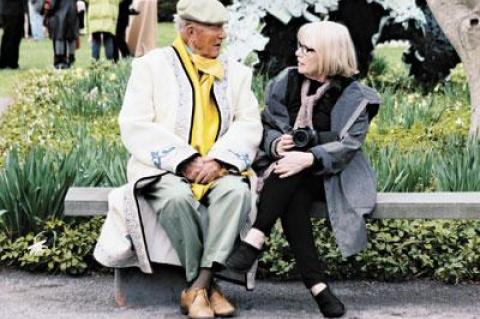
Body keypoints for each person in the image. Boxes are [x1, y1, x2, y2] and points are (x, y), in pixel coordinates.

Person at [93, 0, 262, 318]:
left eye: (223, 27)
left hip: (218, 169)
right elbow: (135, 123)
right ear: (189, 31)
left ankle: (197, 287)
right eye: (214, 28)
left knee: (237, 193)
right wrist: (185, 161)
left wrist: (219, 161)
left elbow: (248, 123)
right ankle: (207, 289)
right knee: (175, 200)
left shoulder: (236, 73)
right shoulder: (150, 66)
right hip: (163, 169)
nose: (222, 35)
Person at [226, 21, 381, 318]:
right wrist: (276, 145)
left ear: (327, 53)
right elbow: (266, 124)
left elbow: (349, 146)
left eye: (306, 49)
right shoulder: (286, 82)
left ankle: (254, 242)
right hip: (288, 176)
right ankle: (318, 286)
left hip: (333, 176)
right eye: (298, 46)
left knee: (291, 172)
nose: (297, 53)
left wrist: (309, 158)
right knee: (292, 191)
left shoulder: (355, 95)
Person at [43, 0, 84, 69]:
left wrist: (47, 14)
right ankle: (71, 60)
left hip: (59, 15)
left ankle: (60, 62)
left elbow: (52, 4)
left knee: (59, 38)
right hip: (72, 13)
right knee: (71, 38)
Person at [0, 0, 28, 69]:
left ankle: (12, 62)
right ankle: (6, 63)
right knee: (10, 37)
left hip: (18, 10)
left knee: (16, 38)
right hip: (10, 11)